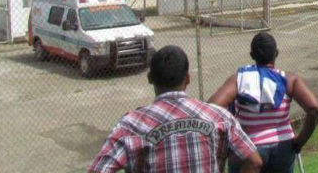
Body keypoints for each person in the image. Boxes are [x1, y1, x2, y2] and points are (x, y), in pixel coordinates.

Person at [89, 46, 262, 173]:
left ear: (150, 79)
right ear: (187, 78)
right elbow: (254, 161)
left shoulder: (132, 125)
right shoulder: (219, 117)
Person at [209, 32, 318, 173]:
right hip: (283, 148)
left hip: (248, 149)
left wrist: (230, 133)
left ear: (252, 55)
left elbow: (211, 109)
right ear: (277, 53)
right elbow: (314, 109)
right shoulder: (289, 80)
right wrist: (300, 140)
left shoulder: (239, 79)